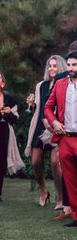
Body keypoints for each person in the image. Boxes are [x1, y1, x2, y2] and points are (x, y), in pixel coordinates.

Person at [24, 54, 66, 208]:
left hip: (57, 127)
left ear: (61, 67)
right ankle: (43, 191)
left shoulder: (65, 84)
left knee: (56, 162)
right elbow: (40, 107)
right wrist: (33, 105)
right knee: (35, 161)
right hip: (41, 126)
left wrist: (54, 124)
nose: (51, 68)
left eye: (54, 65)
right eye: (49, 66)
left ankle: (61, 197)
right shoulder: (41, 85)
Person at [44, 51, 77, 227]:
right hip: (65, 138)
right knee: (70, 180)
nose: (71, 68)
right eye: (70, 65)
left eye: (75, 65)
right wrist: (54, 121)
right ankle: (76, 216)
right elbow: (48, 107)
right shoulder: (60, 84)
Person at [0, 71, 23, 205]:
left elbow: (15, 120)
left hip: (4, 133)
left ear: (3, 83)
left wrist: (8, 114)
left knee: (0, 163)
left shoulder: (9, 99)